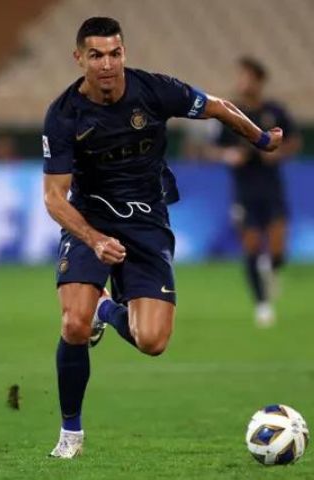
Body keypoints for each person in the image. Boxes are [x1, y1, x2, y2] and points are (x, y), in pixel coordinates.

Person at [42, 17, 283, 459]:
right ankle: (71, 434)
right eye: (96, 55)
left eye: (115, 53)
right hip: (91, 218)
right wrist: (94, 240)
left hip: (147, 221)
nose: (107, 64)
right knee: (73, 323)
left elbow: (217, 106)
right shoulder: (63, 115)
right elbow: (55, 198)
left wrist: (261, 137)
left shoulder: (153, 90)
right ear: (79, 59)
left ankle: (106, 309)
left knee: (152, 341)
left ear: (124, 54)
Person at [206, 57, 300, 328]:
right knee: (250, 245)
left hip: (272, 187)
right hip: (244, 189)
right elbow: (209, 149)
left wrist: (280, 153)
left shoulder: (275, 111)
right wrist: (228, 155)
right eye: (240, 76)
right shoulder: (230, 111)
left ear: (259, 81)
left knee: (278, 246)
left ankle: (271, 268)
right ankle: (262, 305)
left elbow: (294, 141)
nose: (240, 81)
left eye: (246, 76)